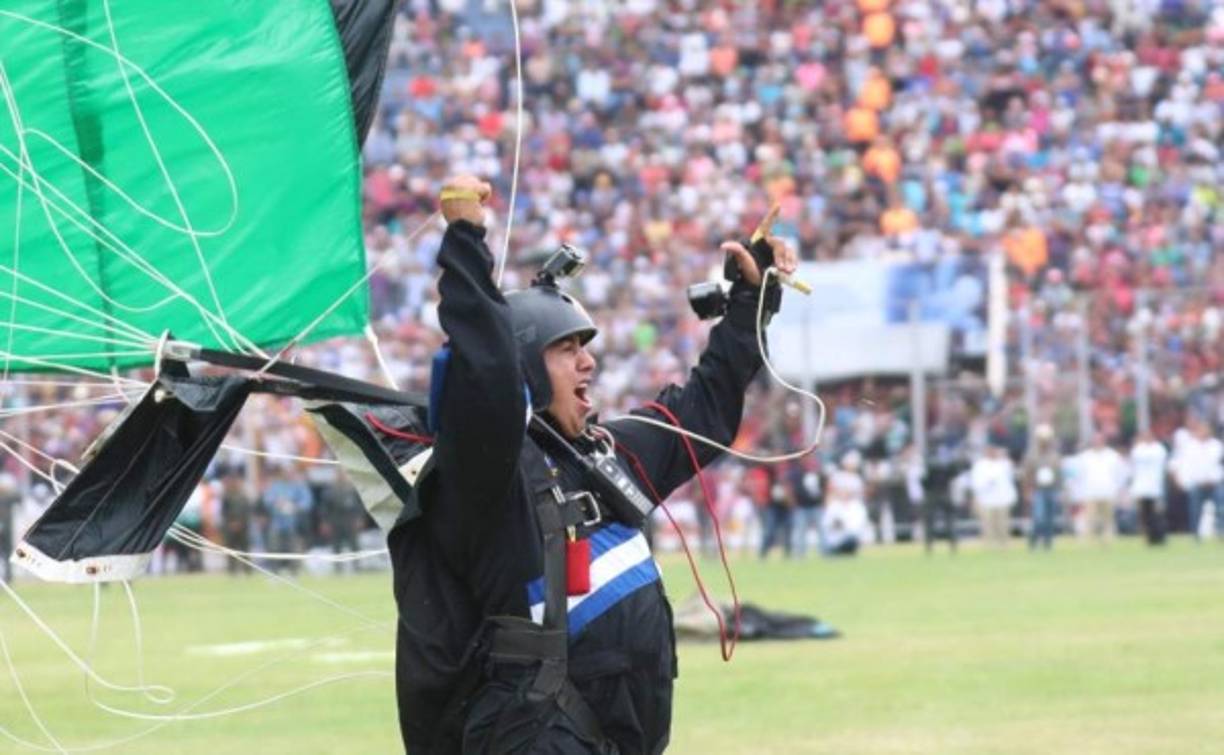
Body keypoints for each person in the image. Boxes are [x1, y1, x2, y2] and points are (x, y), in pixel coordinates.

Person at [388, 175, 797, 754]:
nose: (589, 362)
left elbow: (703, 412)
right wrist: (465, 241)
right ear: (526, 366)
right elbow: (485, 381)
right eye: (567, 349)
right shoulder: (486, 475)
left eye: (586, 346)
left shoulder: (605, 454)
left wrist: (749, 306)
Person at [1022, 424, 1061, 550]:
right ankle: (1033, 538)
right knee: (1039, 517)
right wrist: (1027, 491)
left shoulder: (1054, 455)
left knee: (1049, 518)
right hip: (1037, 489)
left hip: (1051, 489)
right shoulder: (1031, 455)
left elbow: (1058, 474)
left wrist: (1060, 490)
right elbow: (1027, 474)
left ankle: (1047, 543)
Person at [969, 445, 1017, 548]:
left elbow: (1010, 479)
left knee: (1003, 525)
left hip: (1002, 500)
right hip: (986, 500)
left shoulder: (1004, 464)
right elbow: (976, 483)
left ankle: (1004, 546)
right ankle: (988, 546)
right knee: (987, 526)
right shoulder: (980, 465)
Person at [1128, 431, 1169, 546]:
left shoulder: (1158, 449)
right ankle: (1149, 537)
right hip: (1142, 487)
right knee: (1144, 515)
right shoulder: (1138, 449)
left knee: (1156, 514)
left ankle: (1159, 536)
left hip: (1155, 487)